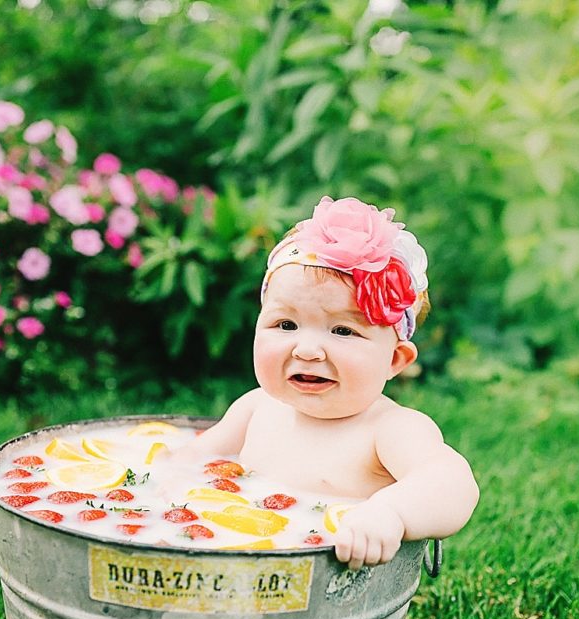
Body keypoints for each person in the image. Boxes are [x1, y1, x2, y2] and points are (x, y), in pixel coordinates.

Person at [173, 195, 479, 569]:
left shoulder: (390, 430)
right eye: (286, 325)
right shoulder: (256, 407)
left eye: (342, 330)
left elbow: (453, 484)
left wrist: (389, 514)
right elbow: (187, 464)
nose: (307, 350)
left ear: (395, 361)